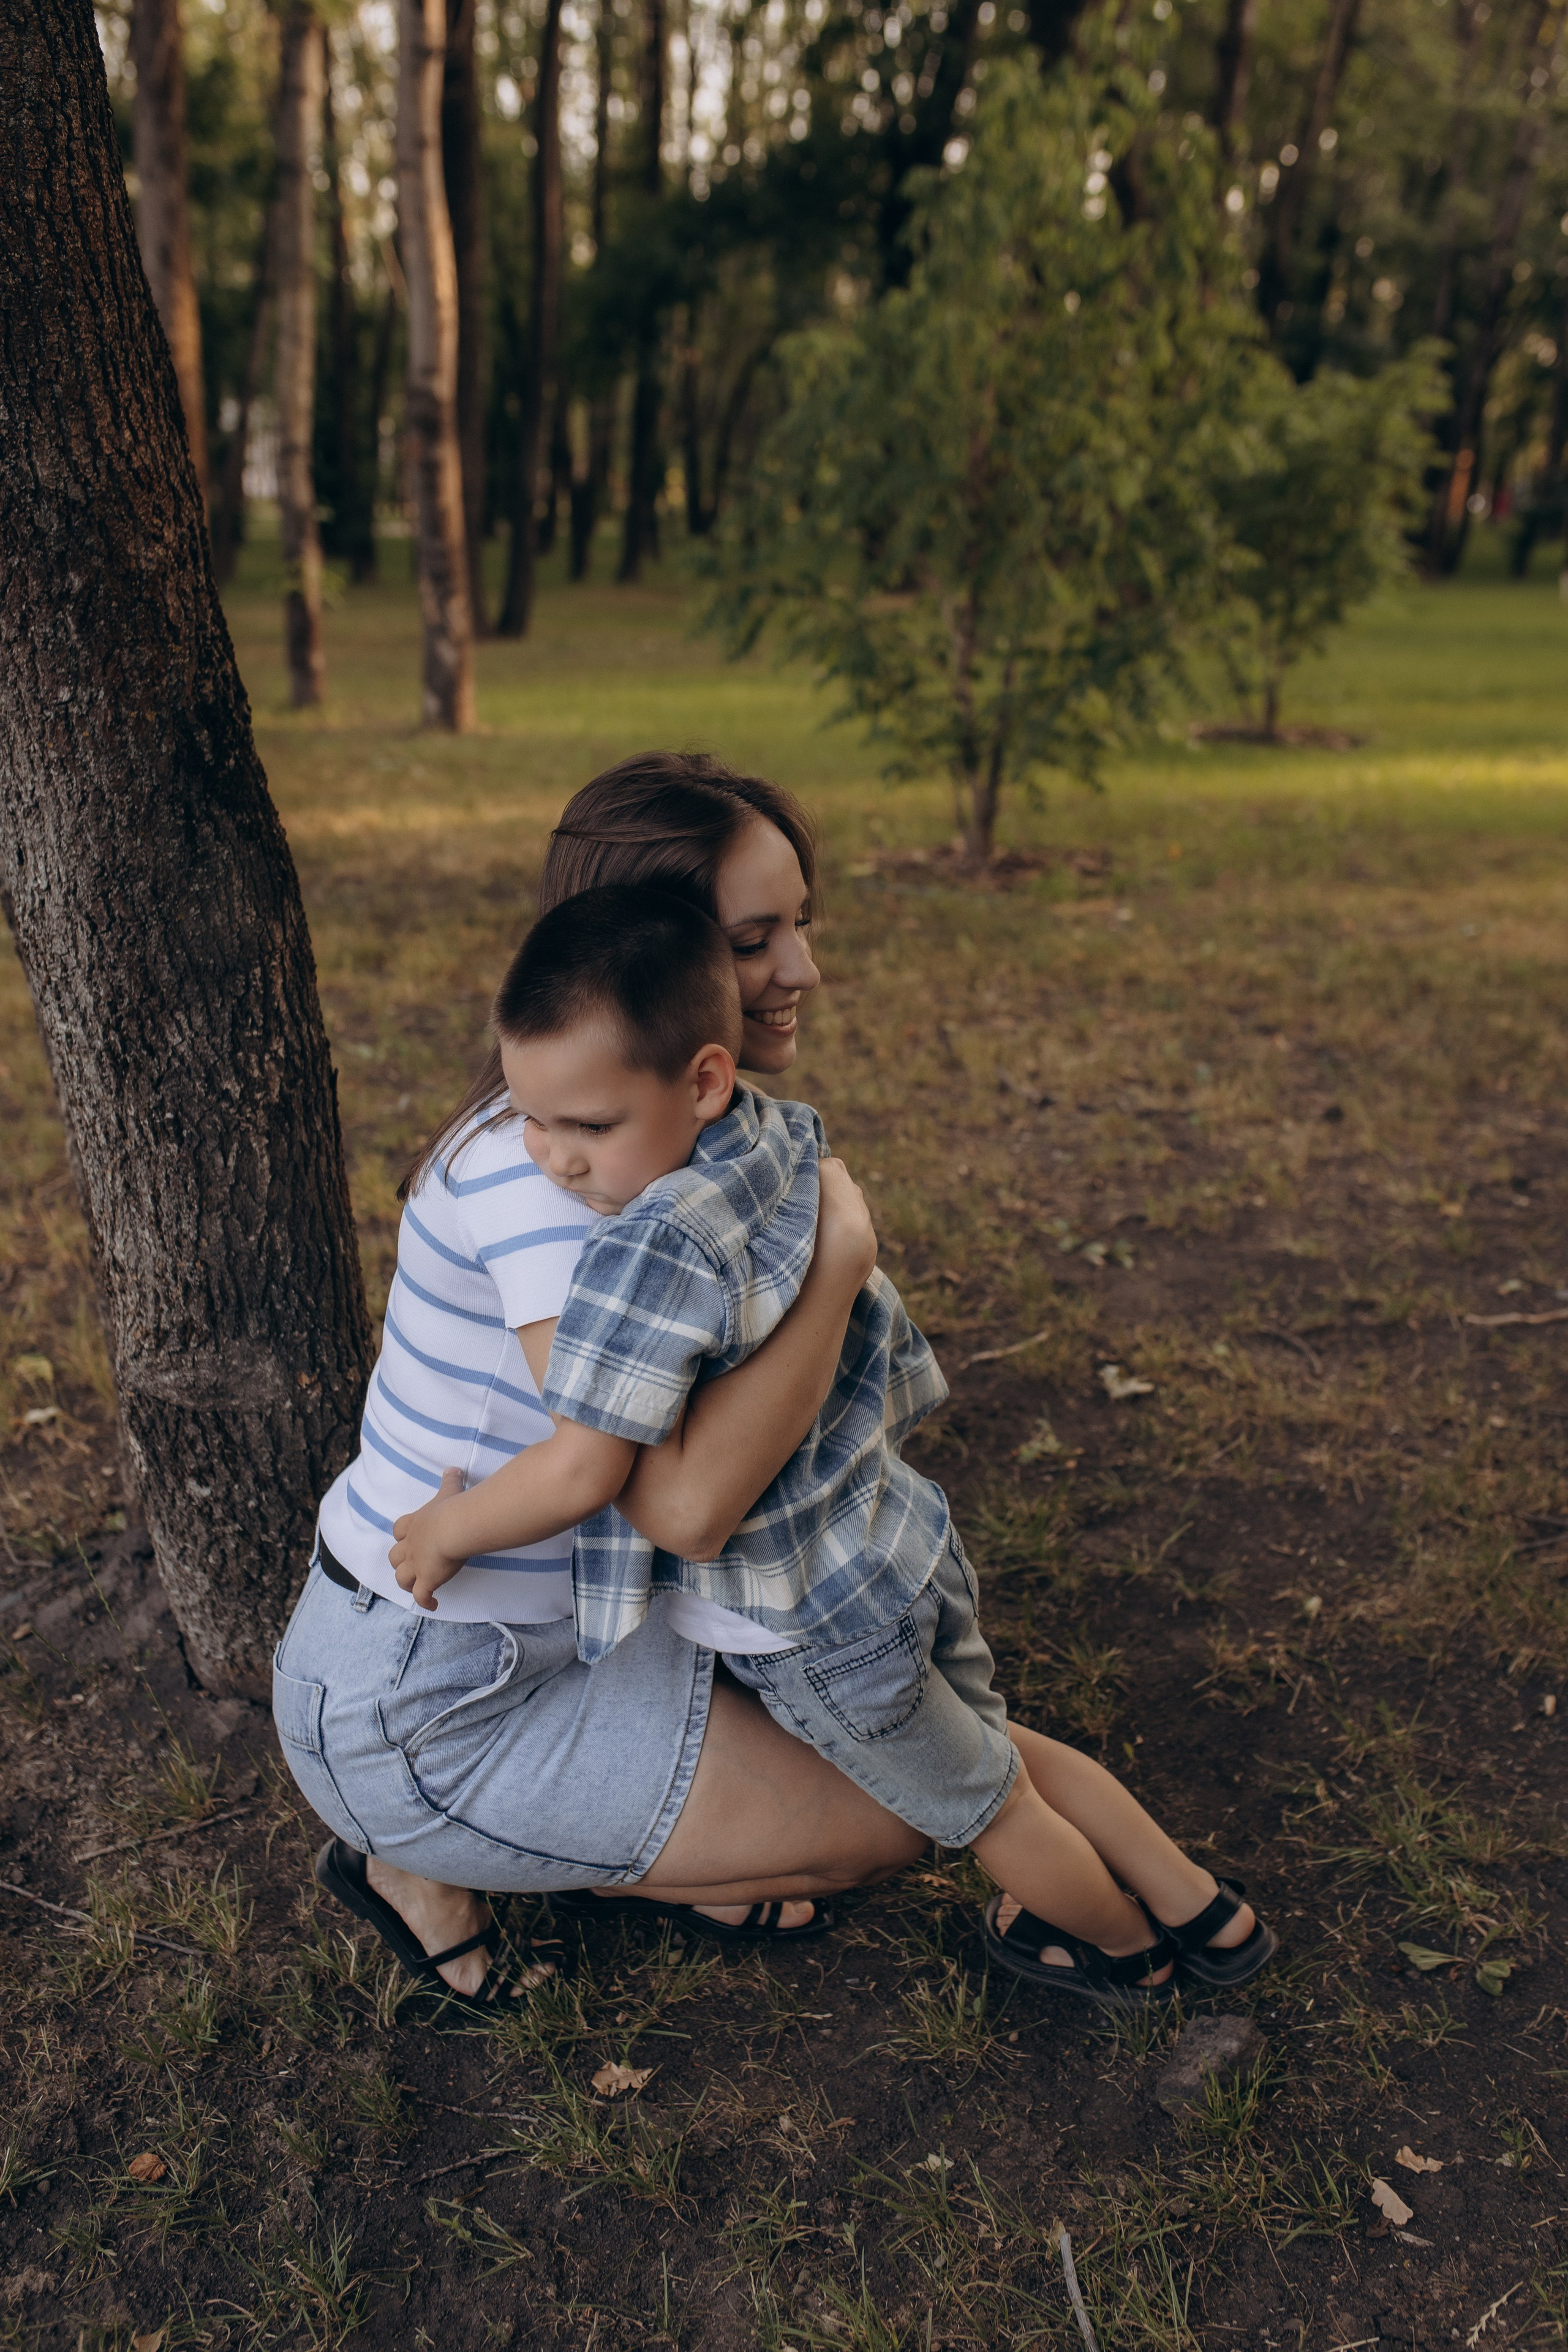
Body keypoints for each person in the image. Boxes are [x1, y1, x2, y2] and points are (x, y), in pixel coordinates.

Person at [281, 752, 1270, 2016]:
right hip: (431, 1692)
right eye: (757, 938)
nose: (801, 970)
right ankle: (419, 1855)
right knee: (907, 1808)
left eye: (800, 923)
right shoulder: (562, 1182)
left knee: (923, 1749)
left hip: (577, 1639)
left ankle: (1165, 1897)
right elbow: (680, 1508)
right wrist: (837, 1266)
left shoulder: (678, 1137)